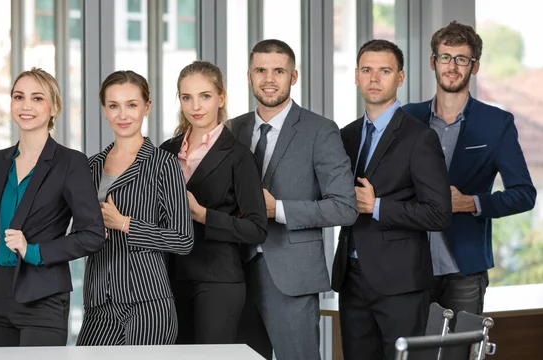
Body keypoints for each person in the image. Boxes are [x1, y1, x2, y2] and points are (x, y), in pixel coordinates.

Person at [230, 39, 358, 360]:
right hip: (235, 276)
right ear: (249, 75)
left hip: (292, 278)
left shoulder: (321, 130)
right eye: (261, 70)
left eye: (279, 71)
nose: (269, 79)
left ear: (294, 76)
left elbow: (345, 206)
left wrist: (279, 210)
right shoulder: (232, 130)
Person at [402, 21, 536, 324]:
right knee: (409, 353)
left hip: (464, 268)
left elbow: (524, 195)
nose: (452, 66)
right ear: (433, 61)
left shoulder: (496, 123)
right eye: (446, 57)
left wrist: (472, 203)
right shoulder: (407, 118)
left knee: (460, 353)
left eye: (462, 59)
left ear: (474, 67)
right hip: (410, 265)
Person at [0, 67, 105, 347]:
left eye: (37, 98)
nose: (26, 105)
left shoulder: (70, 163)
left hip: (43, 296)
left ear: (54, 107)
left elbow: (93, 234)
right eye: (19, 97)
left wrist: (34, 251)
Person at [331, 39, 452, 360]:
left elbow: (439, 214)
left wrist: (379, 207)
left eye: (384, 71)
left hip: (400, 283)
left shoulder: (420, 137)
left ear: (400, 77)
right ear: (356, 75)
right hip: (351, 277)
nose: (374, 78)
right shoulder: (346, 135)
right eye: (367, 70)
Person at [76, 70, 194, 346]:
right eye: (113, 105)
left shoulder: (163, 164)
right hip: (98, 301)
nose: (122, 114)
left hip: (146, 301)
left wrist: (126, 224)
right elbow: (78, 230)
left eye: (131, 105)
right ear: (104, 109)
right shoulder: (90, 166)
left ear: (146, 107)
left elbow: (183, 239)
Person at [159, 60, 267, 344]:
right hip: (168, 278)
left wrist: (202, 214)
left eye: (205, 96)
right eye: (187, 97)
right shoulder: (166, 151)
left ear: (221, 97)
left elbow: (256, 229)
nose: (196, 106)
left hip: (217, 280)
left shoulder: (239, 156)